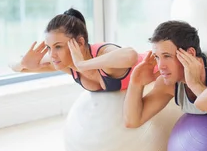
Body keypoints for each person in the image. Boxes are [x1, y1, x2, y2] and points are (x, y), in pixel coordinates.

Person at [122, 20, 207, 134]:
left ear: (190, 53)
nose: (161, 65)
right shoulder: (168, 82)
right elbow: (133, 121)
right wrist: (136, 83)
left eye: (167, 56)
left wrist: (196, 85)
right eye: (157, 57)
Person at [9, 8, 140, 92]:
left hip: (157, 73)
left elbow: (131, 55)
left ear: (80, 42)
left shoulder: (101, 53)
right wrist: (23, 64)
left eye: (58, 46)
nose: (52, 54)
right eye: (49, 47)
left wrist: (82, 64)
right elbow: (13, 64)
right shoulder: (64, 62)